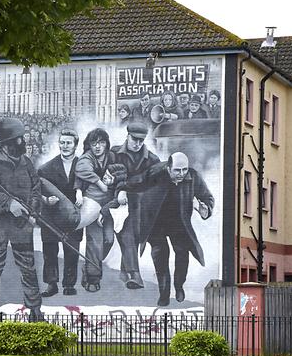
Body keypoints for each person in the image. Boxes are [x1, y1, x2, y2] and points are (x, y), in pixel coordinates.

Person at [0, 118, 44, 322]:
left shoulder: (27, 164)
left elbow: (36, 188)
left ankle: (35, 309)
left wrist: (32, 211)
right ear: (7, 143)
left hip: (21, 226)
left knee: (28, 267)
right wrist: (9, 203)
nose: (23, 142)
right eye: (19, 139)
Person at [137, 152, 215, 306]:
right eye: (177, 170)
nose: (181, 174)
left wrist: (203, 207)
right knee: (160, 255)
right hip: (156, 222)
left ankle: (179, 286)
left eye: (184, 170)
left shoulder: (193, 177)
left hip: (178, 222)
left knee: (182, 253)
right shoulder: (155, 173)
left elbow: (208, 197)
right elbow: (136, 185)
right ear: (168, 168)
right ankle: (164, 293)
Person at [111, 121, 160, 290]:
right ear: (127, 135)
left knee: (134, 234)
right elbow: (106, 177)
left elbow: (156, 185)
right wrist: (120, 191)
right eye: (135, 139)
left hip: (141, 206)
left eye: (141, 140)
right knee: (128, 233)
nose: (138, 144)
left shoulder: (152, 159)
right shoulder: (114, 153)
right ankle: (134, 275)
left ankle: (125, 272)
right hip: (115, 203)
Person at [37, 129, 82, 297]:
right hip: (51, 216)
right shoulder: (46, 168)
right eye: (62, 142)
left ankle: (69, 284)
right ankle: (51, 284)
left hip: (73, 217)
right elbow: (35, 192)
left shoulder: (83, 166)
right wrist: (45, 200)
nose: (65, 146)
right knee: (50, 251)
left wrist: (81, 193)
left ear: (75, 145)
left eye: (69, 143)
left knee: (72, 250)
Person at [75, 128, 120, 292]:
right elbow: (81, 171)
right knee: (95, 241)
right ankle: (93, 278)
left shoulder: (113, 157)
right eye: (94, 143)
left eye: (101, 142)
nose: (98, 146)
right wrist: (82, 189)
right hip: (92, 204)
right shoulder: (86, 158)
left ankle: (89, 265)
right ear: (89, 145)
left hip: (109, 205)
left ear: (106, 144)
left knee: (108, 240)